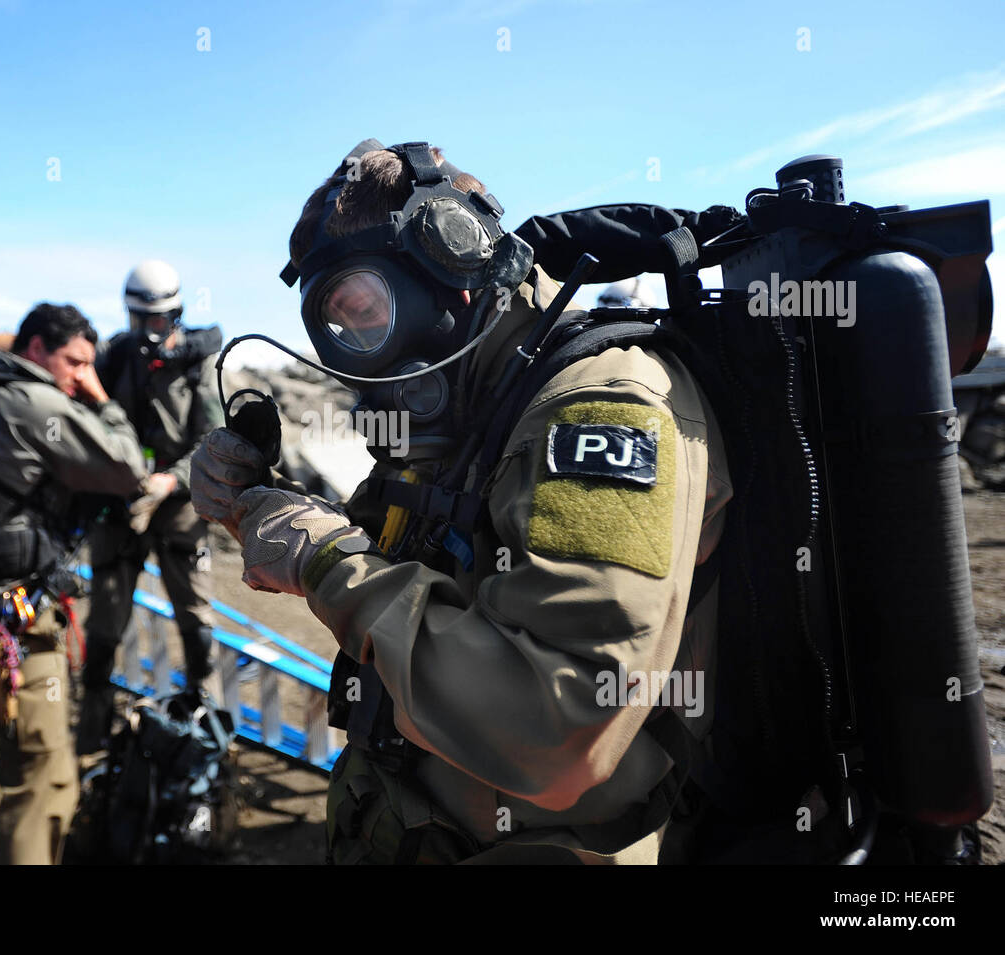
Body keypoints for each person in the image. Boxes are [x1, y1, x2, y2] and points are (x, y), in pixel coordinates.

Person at [191, 141, 732, 864]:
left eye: (366, 311)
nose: (357, 350)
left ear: (455, 259)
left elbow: (558, 726)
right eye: (337, 326)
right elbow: (408, 568)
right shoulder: (482, 397)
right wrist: (261, 506)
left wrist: (323, 560)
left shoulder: (600, 407)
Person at [0, 302, 149, 864]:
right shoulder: (31, 398)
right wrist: (104, 399)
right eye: (73, 360)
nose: (78, 374)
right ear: (36, 349)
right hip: (12, 619)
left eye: (88, 365)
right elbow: (126, 467)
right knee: (39, 774)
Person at [76, 260, 226, 755]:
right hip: (120, 508)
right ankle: (92, 730)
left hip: (179, 505)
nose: (149, 333)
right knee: (104, 620)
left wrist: (171, 480)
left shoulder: (197, 362)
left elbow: (213, 439)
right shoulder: (113, 359)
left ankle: (207, 733)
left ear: (175, 314)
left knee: (196, 615)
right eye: (141, 321)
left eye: (159, 322)